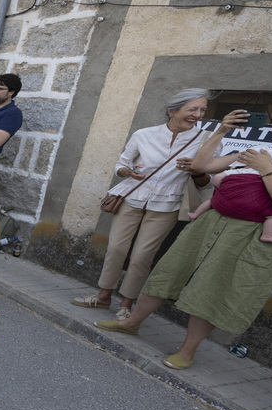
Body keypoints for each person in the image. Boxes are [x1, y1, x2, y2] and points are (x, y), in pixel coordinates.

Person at [96, 111, 272, 370]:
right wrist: (221, 131)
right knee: (169, 270)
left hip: (251, 234)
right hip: (212, 220)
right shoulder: (262, 151)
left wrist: (267, 170)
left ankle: (187, 351)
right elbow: (201, 167)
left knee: (213, 288)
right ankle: (131, 323)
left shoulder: (267, 162)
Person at [70, 89, 211, 319]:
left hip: (167, 204)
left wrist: (196, 170)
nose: (198, 115)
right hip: (132, 199)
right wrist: (129, 171)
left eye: (202, 110)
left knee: (142, 256)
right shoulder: (144, 134)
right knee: (116, 249)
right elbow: (121, 165)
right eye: (192, 109)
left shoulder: (205, 140)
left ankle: (126, 304)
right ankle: (104, 296)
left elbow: (207, 183)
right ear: (172, 111)